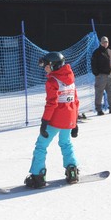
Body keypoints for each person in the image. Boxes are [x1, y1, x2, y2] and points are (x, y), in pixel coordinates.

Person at [24, 51, 80, 188]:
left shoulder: (52, 81)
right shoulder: (70, 78)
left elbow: (52, 103)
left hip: (56, 119)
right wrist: (75, 122)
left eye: (47, 65)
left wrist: (44, 122)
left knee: (41, 145)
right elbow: (76, 100)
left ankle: (38, 176)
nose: (45, 68)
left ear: (54, 65)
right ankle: (72, 171)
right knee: (66, 143)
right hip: (69, 118)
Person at [91, 36, 111, 115]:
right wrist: (97, 74)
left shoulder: (110, 52)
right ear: (101, 43)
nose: (105, 43)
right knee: (99, 93)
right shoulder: (97, 52)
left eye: (106, 42)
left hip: (110, 75)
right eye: (103, 42)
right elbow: (93, 64)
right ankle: (99, 109)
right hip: (101, 76)